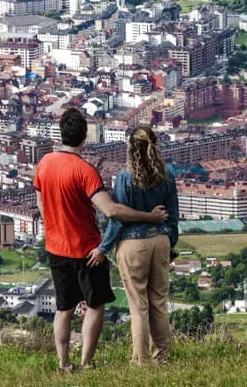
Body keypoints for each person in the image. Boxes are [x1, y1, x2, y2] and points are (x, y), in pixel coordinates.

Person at [34, 109, 168, 372]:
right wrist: (149, 216)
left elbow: (40, 201)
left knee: (64, 308)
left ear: (61, 134)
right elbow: (111, 210)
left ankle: (63, 364)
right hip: (87, 249)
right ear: (85, 137)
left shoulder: (44, 163)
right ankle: (85, 362)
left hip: (55, 247)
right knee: (94, 306)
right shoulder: (85, 171)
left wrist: (52, 224)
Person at [87, 126, 179, 365]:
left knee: (139, 307)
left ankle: (141, 361)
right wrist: (170, 245)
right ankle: (163, 358)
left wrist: (103, 248)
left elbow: (117, 218)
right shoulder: (167, 174)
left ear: (130, 149)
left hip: (132, 244)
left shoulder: (125, 177)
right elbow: (174, 216)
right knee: (159, 303)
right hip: (160, 241)